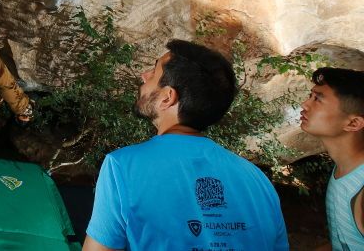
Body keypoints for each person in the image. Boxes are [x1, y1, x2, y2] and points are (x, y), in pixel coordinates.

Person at [83, 40, 288, 251]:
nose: (144, 76)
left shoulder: (122, 167)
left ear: (167, 98)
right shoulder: (258, 181)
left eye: (153, 72)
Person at [300, 67, 364, 251]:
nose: (305, 104)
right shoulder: (344, 170)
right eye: (310, 96)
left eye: (317, 99)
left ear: (353, 123)